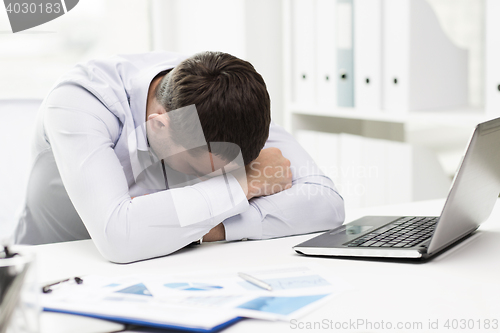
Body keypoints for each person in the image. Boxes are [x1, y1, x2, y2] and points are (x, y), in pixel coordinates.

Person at [15, 51, 344, 263]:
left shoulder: (222, 97)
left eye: (233, 172)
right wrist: (245, 184)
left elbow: (327, 202)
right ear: (158, 125)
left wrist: (212, 229)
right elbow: (119, 235)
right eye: (204, 169)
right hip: (51, 268)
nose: (222, 178)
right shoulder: (80, 101)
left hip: (167, 268)